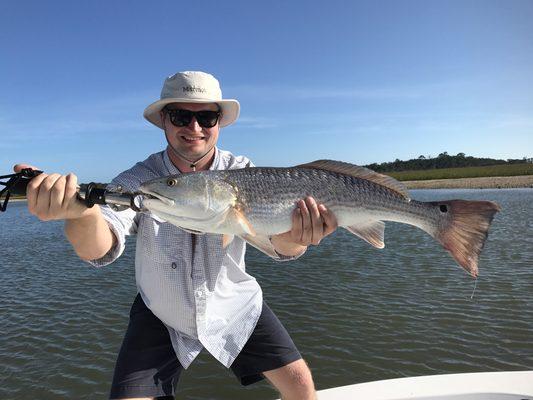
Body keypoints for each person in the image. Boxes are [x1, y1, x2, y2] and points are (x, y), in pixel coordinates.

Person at [15, 71, 338, 400]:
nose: (194, 128)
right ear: (164, 122)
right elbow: (101, 246)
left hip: (234, 303)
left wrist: (300, 237)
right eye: (181, 116)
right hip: (160, 309)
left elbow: (278, 246)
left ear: (219, 122)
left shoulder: (245, 173)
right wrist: (81, 214)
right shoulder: (142, 180)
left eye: (207, 116)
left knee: (300, 384)